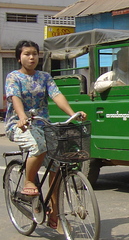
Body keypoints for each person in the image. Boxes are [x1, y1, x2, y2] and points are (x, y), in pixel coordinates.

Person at [5, 40, 87, 230]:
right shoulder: (13, 77)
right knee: (38, 147)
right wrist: (22, 116)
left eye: (34, 53)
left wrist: (72, 113)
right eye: (27, 54)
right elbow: (14, 97)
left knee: (58, 163)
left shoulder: (44, 77)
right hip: (19, 124)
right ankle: (28, 182)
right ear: (19, 57)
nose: (32, 57)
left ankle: (55, 211)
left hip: (42, 124)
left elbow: (56, 95)